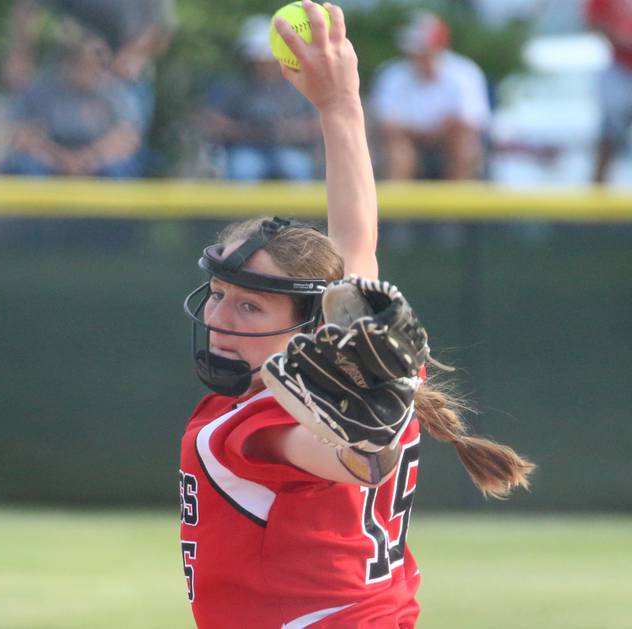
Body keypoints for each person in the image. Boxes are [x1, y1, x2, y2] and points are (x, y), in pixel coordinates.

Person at [178, 3, 534, 627]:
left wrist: (363, 443)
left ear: (307, 325)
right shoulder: (364, 361)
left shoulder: (245, 427)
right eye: (219, 294)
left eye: (251, 304)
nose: (220, 315)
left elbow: (353, 459)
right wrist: (339, 107)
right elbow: (357, 243)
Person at [0, 34, 143, 177]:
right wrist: (60, 159)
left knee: (119, 171)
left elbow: (127, 138)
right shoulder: (41, 91)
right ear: (67, 63)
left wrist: (89, 158)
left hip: (98, 161)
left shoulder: (116, 92)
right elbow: (22, 135)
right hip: (50, 159)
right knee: (26, 167)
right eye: (79, 63)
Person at [198, 14, 322, 181]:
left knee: (295, 167)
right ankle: (243, 209)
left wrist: (293, 131)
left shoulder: (297, 83)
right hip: (246, 149)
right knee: (242, 169)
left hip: (289, 149)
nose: (263, 63)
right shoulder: (235, 85)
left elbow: (318, 122)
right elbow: (211, 119)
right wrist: (245, 131)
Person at [369, 11, 490, 180]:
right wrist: (429, 131)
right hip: (407, 143)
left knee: (465, 148)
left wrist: (426, 131)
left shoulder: (465, 73)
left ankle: (456, 204)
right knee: (397, 151)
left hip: (448, 142)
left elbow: (470, 123)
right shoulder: (392, 74)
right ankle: (398, 206)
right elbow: (387, 125)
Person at [586, 0, 632, 184]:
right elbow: (593, 21)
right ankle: (596, 206)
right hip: (619, 66)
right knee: (608, 138)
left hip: (618, 68)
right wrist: (619, 36)